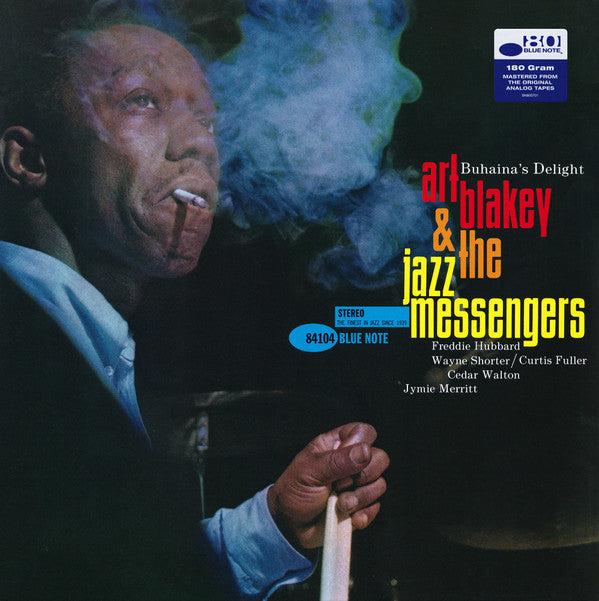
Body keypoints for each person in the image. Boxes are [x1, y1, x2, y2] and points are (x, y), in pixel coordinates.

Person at [0, 20, 389, 600]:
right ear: (29, 159)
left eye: (207, 121)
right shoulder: (19, 358)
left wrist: (276, 521)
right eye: (142, 100)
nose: (200, 144)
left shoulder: (84, 353)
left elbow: (108, 575)